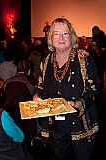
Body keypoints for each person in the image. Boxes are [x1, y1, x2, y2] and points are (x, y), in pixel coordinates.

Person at [34, 17, 100, 160]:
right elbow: (39, 86)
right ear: (51, 38)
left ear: (72, 36)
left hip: (80, 125)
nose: (61, 38)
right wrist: (37, 97)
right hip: (55, 127)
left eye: (65, 33)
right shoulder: (45, 61)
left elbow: (94, 89)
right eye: (56, 34)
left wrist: (78, 103)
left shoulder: (84, 58)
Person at [1, 59, 36, 157]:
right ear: (29, 71)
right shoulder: (31, 83)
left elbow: (3, 97)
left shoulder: (7, 82)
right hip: (25, 118)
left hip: (8, 115)